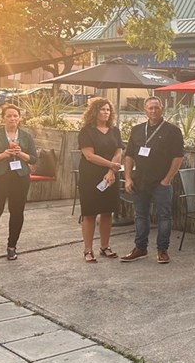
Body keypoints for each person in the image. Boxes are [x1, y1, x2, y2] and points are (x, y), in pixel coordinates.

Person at [122, 96, 184, 264]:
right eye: (150, 108)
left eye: (157, 107)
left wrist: (167, 179)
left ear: (162, 108)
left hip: (161, 183)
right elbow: (128, 155)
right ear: (145, 110)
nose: (154, 111)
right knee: (141, 215)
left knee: (164, 216)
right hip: (139, 181)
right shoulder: (137, 130)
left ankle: (162, 250)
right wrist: (127, 178)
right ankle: (140, 248)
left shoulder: (172, 131)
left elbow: (178, 157)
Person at [0, 104, 38, 266]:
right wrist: (3, 155)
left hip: (20, 178)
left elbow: (33, 159)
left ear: (19, 118)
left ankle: (12, 247)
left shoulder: (26, 136)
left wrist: (21, 154)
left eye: (15, 116)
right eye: (9, 116)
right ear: (3, 118)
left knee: (17, 212)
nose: (12, 119)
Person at [77, 98, 124, 263]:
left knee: (107, 212)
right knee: (89, 214)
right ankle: (87, 250)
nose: (106, 112)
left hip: (110, 177)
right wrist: (111, 165)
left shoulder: (114, 130)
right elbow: (89, 156)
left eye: (108, 110)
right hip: (90, 176)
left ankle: (105, 247)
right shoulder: (86, 131)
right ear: (94, 111)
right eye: (102, 109)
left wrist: (111, 171)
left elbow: (119, 151)